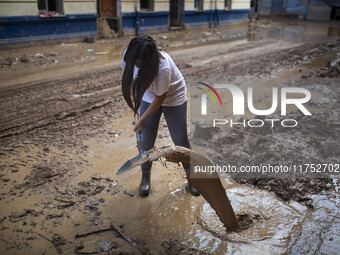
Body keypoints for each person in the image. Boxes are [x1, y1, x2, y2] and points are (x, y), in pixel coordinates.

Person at [121, 35, 200, 197]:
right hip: (149, 95)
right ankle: (145, 177)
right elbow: (131, 80)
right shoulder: (128, 56)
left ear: (149, 61)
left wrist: (141, 120)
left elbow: (160, 99)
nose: (136, 65)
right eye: (134, 62)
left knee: (180, 139)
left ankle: (194, 179)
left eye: (140, 63)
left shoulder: (162, 68)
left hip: (173, 97)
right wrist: (137, 107)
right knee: (146, 141)